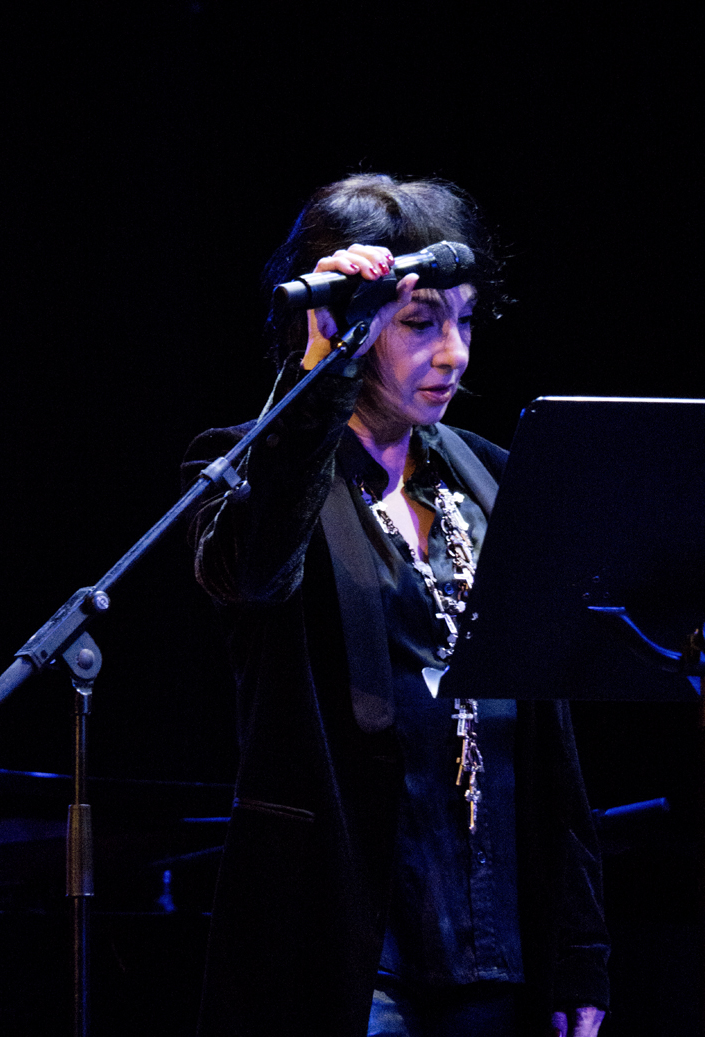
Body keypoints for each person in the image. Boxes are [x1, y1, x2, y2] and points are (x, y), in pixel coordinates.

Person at [181, 174, 609, 1037]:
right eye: (421, 323)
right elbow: (259, 574)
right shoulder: (249, 472)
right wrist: (320, 370)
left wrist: (580, 944)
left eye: (466, 321)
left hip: (494, 939)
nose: (454, 354)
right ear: (348, 323)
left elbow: (547, 736)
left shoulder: (489, 477)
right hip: (348, 949)